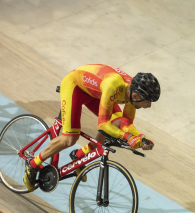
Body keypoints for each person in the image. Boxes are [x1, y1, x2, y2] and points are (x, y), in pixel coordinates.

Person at [24, 64, 160, 191]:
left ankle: (79, 155)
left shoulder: (132, 93)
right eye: (148, 102)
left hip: (97, 92)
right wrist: (128, 137)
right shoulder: (114, 85)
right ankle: (33, 164)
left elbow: (126, 124)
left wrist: (141, 138)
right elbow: (103, 124)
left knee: (116, 125)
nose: (149, 106)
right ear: (136, 96)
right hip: (75, 87)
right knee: (70, 139)